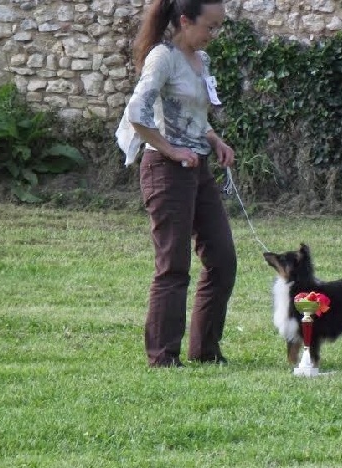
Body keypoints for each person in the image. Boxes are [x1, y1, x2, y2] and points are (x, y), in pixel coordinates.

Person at [116, 0, 237, 367]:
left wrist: (214, 139)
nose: (214, 35)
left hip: (197, 169)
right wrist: (170, 150)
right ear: (185, 21)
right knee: (174, 265)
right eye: (210, 27)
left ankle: (205, 350)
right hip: (165, 171)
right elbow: (138, 113)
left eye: (219, 27)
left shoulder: (202, 61)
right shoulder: (162, 57)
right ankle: (163, 356)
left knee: (222, 259)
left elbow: (194, 114)